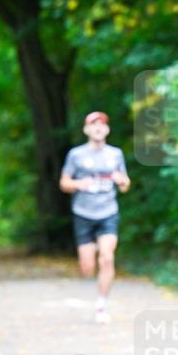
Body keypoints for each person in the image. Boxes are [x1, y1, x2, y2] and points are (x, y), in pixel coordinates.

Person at [59, 111, 131, 324]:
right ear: (86, 130)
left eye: (102, 124)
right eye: (93, 124)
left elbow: (125, 185)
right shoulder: (76, 155)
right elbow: (64, 183)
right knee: (87, 268)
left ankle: (101, 304)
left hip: (108, 212)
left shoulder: (115, 154)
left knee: (107, 258)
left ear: (107, 130)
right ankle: (94, 250)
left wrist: (122, 181)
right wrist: (78, 184)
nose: (98, 128)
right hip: (83, 213)